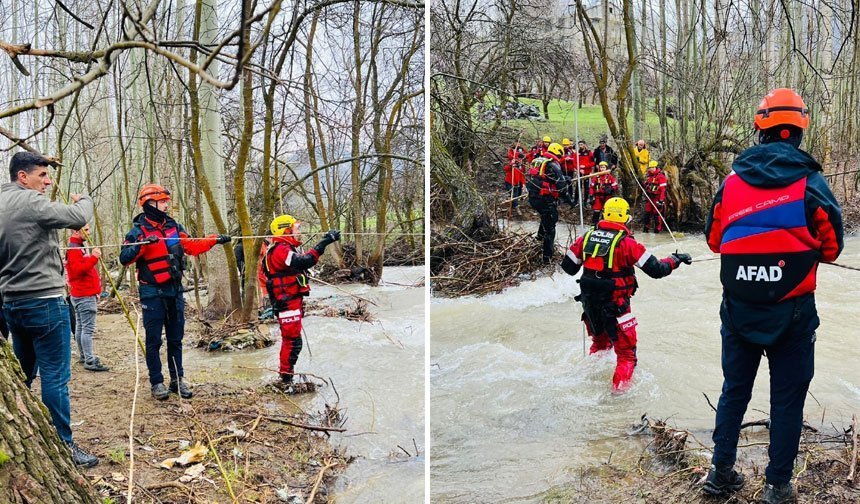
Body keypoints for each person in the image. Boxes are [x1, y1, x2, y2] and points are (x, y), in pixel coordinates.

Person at [702, 89, 843, 504]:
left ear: (759, 126)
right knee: (787, 402)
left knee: (734, 391)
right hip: (793, 314)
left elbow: (715, 241)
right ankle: (777, 487)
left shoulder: (730, 183)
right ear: (800, 129)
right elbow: (832, 248)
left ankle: (720, 473)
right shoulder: (811, 183)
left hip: (739, 308)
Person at [0, 151, 99, 467]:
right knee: (55, 378)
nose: (48, 181)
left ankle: (23, 432)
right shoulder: (30, 202)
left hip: (12, 305)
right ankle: (64, 447)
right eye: (42, 175)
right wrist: (85, 198)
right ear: (22, 177)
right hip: (44, 302)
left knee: (25, 373)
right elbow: (77, 216)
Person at [561, 197, 691, 392]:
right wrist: (675, 259)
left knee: (600, 344)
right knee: (627, 355)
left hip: (589, 304)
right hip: (616, 306)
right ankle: (618, 397)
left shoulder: (586, 238)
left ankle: (585, 381)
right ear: (626, 219)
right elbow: (657, 270)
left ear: (604, 214)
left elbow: (568, 268)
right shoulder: (629, 244)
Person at [120, 184, 231, 400]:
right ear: (150, 204)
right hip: (151, 292)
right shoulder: (137, 231)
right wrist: (142, 245)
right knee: (153, 340)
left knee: (175, 338)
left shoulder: (173, 227)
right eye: (162, 202)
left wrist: (215, 239)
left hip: (175, 291)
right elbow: (124, 259)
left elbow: (191, 246)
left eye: (166, 201)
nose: (166, 205)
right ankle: (156, 382)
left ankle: (177, 380)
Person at [261, 215, 340, 386]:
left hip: (290, 300)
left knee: (293, 340)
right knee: (292, 341)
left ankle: (286, 377)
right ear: (286, 230)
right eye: (297, 229)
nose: (300, 232)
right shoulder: (281, 249)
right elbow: (303, 262)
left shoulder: (285, 248)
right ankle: (286, 379)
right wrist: (324, 243)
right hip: (286, 302)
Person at [66, 223, 109, 371]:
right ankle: (89, 360)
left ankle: (84, 356)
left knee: (81, 327)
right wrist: (94, 258)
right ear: (76, 231)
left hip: (82, 294)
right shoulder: (74, 249)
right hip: (83, 296)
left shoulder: (78, 247)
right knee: (87, 329)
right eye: (86, 230)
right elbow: (78, 270)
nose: (89, 233)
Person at [527, 142, 571, 263]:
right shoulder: (553, 164)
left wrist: (564, 179)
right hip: (544, 199)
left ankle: (538, 241)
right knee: (551, 226)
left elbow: (546, 179)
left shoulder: (538, 160)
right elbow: (561, 187)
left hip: (533, 197)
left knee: (545, 218)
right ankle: (547, 258)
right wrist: (569, 199)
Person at [642, 160, 668, 233]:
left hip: (657, 198)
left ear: (656, 167)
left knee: (657, 214)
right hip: (649, 198)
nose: (651, 169)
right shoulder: (648, 176)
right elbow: (646, 185)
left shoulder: (661, 177)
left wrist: (661, 200)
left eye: (652, 167)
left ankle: (657, 230)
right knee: (647, 213)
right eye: (650, 168)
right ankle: (646, 228)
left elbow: (663, 190)